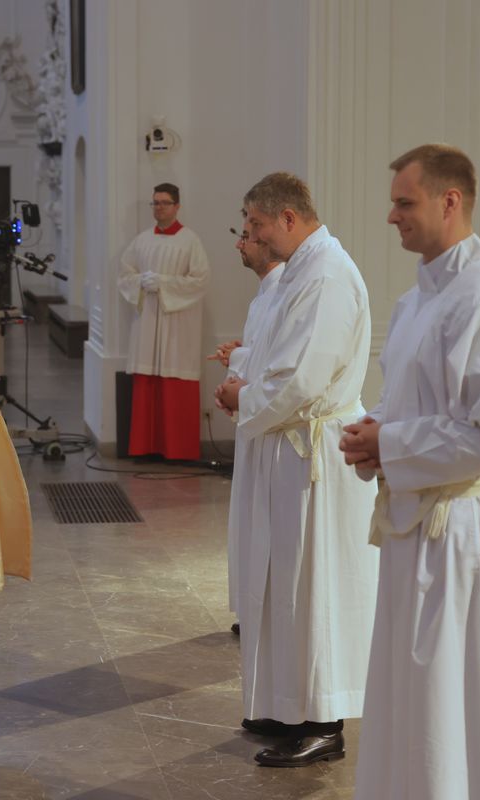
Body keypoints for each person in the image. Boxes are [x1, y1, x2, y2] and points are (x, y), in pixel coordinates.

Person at [341, 145, 480, 800]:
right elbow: (414, 403)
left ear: (449, 201)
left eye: (405, 202)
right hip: (418, 523)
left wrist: (392, 442)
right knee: (414, 695)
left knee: (461, 699)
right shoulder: (420, 300)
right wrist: (375, 435)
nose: (391, 215)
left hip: (463, 534)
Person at [214, 172, 378, 767]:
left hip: (313, 455)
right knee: (279, 581)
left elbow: (302, 377)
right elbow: (277, 352)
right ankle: (284, 704)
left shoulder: (328, 275)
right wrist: (244, 375)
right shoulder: (299, 274)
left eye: (254, 225)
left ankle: (322, 720)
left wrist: (242, 397)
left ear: (287, 218)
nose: (248, 235)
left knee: (312, 586)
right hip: (284, 447)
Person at [209, 224, 284, 636]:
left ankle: (262, 611)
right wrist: (239, 355)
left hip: (279, 427)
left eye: (248, 234)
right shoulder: (266, 293)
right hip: (257, 417)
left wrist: (240, 364)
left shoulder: (282, 290)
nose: (239, 242)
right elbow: (265, 355)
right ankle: (252, 609)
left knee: (263, 522)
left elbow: (280, 366)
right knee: (249, 519)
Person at [117, 182, 211, 461]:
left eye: (164, 203)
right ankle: (145, 447)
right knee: (148, 381)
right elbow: (124, 274)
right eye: (155, 203)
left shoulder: (190, 240)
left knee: (175, 379)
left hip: (177, 323)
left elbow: (201, 280)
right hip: (148, 321)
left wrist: (165, 284)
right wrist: (141, 282)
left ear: (177, 206)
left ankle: (179, 450)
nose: (159, 208)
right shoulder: (142, 239)